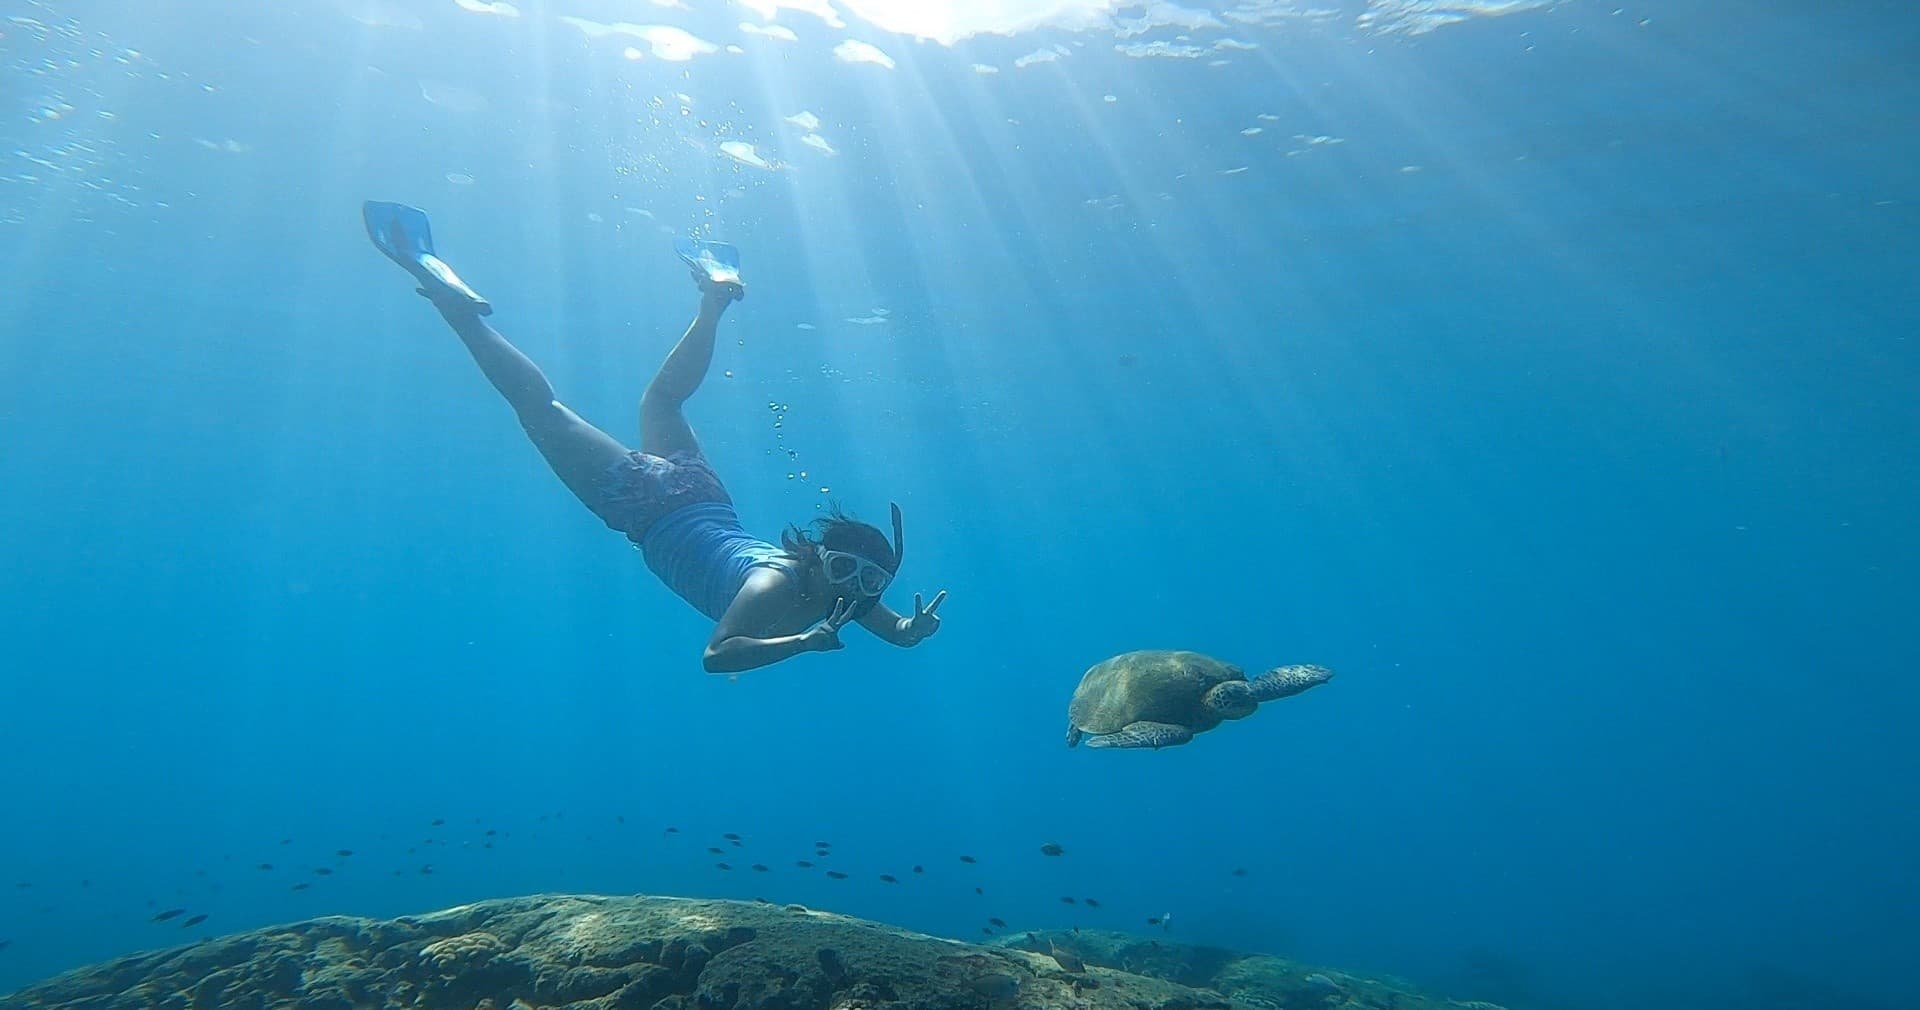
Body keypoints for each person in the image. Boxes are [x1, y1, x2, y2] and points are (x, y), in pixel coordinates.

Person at [361, 201, 946, 674]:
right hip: (648, 506)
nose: (855, 589)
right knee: (539, 410)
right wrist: (801, 643)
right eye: (845, 571)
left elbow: (893, 630)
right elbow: (717, 656)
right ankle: (458, 310)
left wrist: (910, 629)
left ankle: (714, 299)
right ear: (817, 558)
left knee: (662, 400)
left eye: (869, 581)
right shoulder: (773, 585)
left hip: (705, 497)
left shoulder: (850, 598)